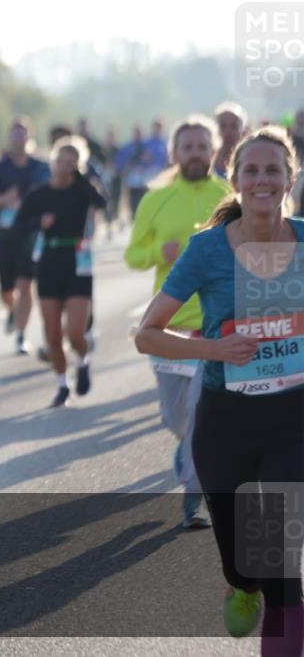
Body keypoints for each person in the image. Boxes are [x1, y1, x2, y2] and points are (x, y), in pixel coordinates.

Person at [135, 126, 302, 657]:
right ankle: (241, 582)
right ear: (234, 179)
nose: (262, 180)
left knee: (281, 558)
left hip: (293, 419)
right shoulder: (207, 249)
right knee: (242, 557)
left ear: (290, 179)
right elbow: (147, 334)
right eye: (251, 170)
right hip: (226, 420)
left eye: (273, 170)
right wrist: (217, 350)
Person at [126, 115, 230, 528]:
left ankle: (194, 496)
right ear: (174, 153)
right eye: (187, 147)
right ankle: (187, 451)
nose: (195, 154)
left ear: (214, 151)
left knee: (201, 417)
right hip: (168, 329)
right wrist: (158, 253)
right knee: (176, 418)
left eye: (202, 147)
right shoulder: (155, 199)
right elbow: (133, 254)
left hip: (215, 325)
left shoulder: (228, 196)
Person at [14, 136, 105, 407]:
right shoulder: (39, 194)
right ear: (52, 162)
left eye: (72, 163)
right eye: (61, 161)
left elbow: (101, 202)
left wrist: (81, 178)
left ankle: (83, 360)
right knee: (52, 334)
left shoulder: (82, 190)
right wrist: (38, 222)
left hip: (78, 262)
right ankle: (63, 385)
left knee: (75, 333)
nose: (65, 167)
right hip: (49, 262)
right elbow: (19, 225)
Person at [0, 118, 51, 354]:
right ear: (9, 139)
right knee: (6, 291)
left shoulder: (40, 168)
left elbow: (50, 195)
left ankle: (21, 336)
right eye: (15, 135)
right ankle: (13, 311)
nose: (18, 140)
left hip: (30, 236)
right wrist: (4, 199)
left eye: (22, 135)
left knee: (25, 285)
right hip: (5, 237)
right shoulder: (0, 169)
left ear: (29, 138)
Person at [213, 102, 248, 180]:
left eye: (234, 126)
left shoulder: (249, 160)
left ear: (243, 131)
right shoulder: (205, 162)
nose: (228, 132)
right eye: (222, 126)